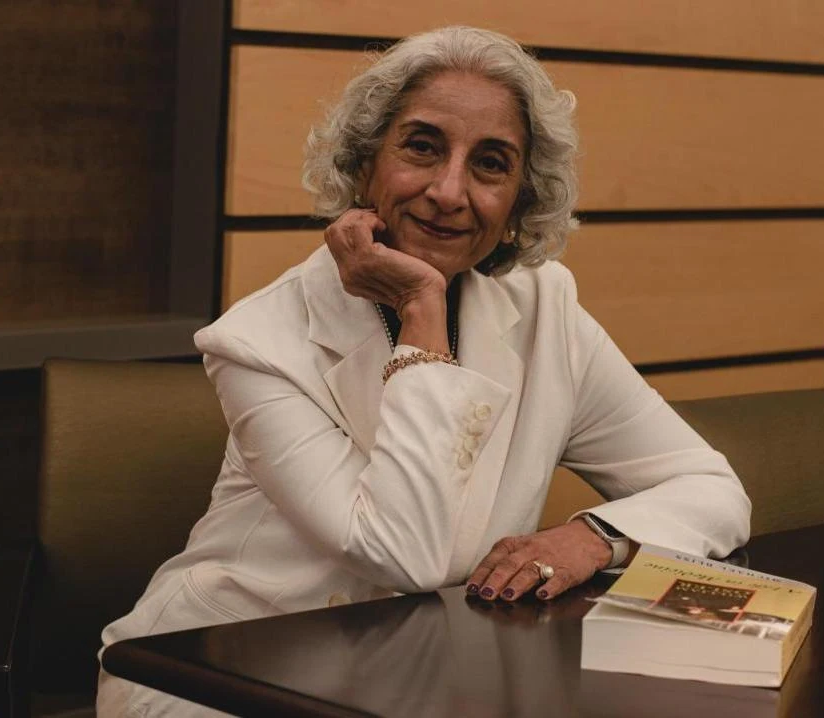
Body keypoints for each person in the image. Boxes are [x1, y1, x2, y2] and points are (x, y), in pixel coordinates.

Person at [97, 25, 750, 716]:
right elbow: (405, 555)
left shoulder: (547, 311)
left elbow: (711, 489)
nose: (448, 190)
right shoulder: (257, 342)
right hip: (218, 676)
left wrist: (592, 539)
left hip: (420, 681)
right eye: (422, 147)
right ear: (364, 165)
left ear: (519, 203)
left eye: (490, 164)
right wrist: (420, 307)